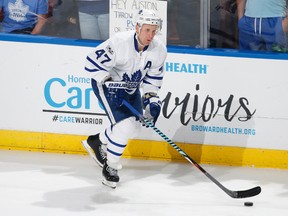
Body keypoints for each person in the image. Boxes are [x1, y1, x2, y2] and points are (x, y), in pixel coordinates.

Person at [81, 9, 167, 189]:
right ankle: (110, 168)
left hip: (130, 87)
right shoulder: (119, 42)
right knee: (124, 126)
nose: (150, 35)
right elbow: (91, 63)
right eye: (147, 30)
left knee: (134, 129)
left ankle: (97, 141)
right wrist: (108, 82)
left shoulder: (159, 49)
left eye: (154, 30)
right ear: (137, 27)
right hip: (106, 86)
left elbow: (152, 80)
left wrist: (152, 100)